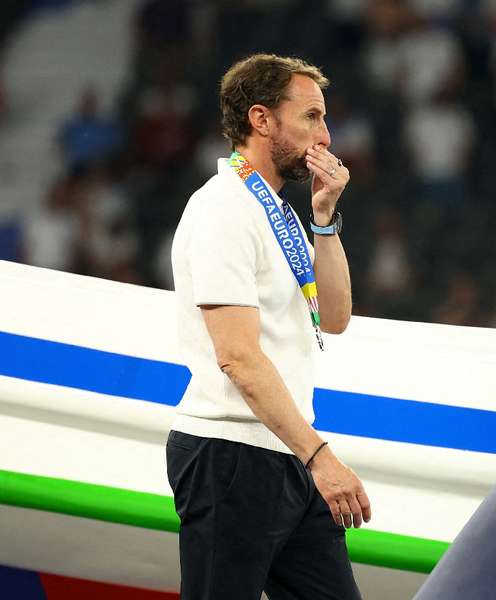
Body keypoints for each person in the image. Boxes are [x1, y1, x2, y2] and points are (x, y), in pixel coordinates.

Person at [166, 53, 370, 600]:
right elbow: (237, 356)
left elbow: (335, 316)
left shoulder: (277, 213)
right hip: (230, 453)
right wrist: (320, 457)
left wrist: (324, 218)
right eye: (311, 117)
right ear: (261, 119)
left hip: (286, 450)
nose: (325, 136)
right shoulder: (222, 210)